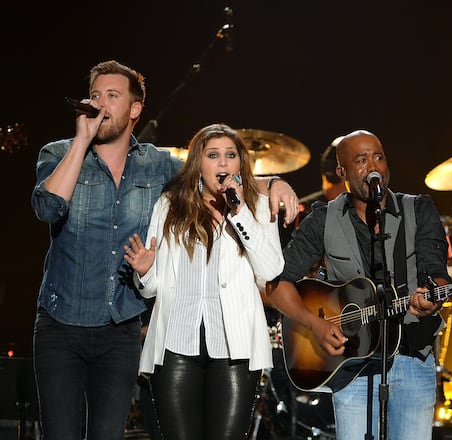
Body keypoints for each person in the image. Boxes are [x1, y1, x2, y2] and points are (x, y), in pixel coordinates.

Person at [30, 59, 298, 440]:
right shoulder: (58, 154)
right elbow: (47, 208)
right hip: (61, 322)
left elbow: (209, 170)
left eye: (111, 95)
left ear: (135, 109)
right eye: (94, 96)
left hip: (120, 326)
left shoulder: (156, 166)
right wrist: (81, 139)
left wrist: (272, 182)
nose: (99, 103)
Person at [264, 129, 452, 440]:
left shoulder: (418, 209)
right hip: (351, 368)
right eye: (362, 160)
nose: (373, 166)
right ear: (342, 172)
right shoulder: (323, 218)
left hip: (412, 357)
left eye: (379, 157)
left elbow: (437, 273)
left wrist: (433, 295)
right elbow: (277, 284)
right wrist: (315, 324)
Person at [124, 123, 285, 439]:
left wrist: (239, 213)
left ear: (240, 164)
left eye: (230, 155)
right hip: (175, 344)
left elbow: (270, 271)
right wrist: (143, 271)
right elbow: (152, 286)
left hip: (235, 350)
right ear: (199, 164)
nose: (223, 163)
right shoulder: (170, 206)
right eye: (213, 155)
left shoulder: (259, 206)